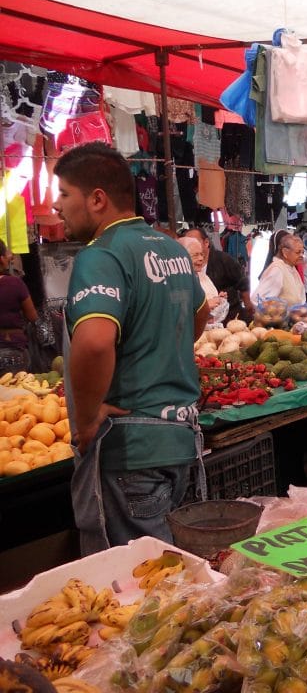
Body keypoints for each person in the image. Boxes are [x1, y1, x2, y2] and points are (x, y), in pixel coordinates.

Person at [53, 142, 209, 554]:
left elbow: (94, 341)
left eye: (65, 194)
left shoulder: (101, 255)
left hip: (129, 449)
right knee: (166, 576)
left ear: (97, 199)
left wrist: (86, 420)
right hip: (178, 440)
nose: (56, 205)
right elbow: (200, 313)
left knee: (131, 588)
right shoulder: (171, 248)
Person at [183, 227, 252, 321]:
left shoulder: (224, 260)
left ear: (206, 242)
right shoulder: (184, 273)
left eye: (194, 241)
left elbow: (243, 283)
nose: (199, 258)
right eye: (195, 255)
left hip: (231, 317)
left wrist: (248, 306)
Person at [0, 240, 38, 375]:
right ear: (2, 259)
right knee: (16, 393)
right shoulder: (15, 283)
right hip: (14, 349)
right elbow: (33, 316)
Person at [180, 237, 229, 327]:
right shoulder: (177, 281)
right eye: (195, 255)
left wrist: (219, 300)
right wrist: (205, 307)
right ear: (181, 257)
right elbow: (178, 313)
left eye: (202, 254)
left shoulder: (203, 276)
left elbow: (212, 314)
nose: (201, 258)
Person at [253, 232, 306, 308]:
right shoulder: (277, 270)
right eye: (298, 252)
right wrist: (279, 313)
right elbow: (257, 300)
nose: (301, 256)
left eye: (302, 252)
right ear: (285, 252)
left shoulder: (291, 268)